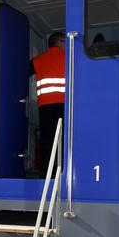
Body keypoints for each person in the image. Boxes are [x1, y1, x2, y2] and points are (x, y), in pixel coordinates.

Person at [31, 31, 66, 172]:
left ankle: (47, 172)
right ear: (58, 42)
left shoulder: (37, 60)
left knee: (47, 139)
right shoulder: (67, 57)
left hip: (45, 106)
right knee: (64, 139)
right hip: (63, 104)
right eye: (64, 42)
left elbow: (20, 73)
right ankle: (62, 170)